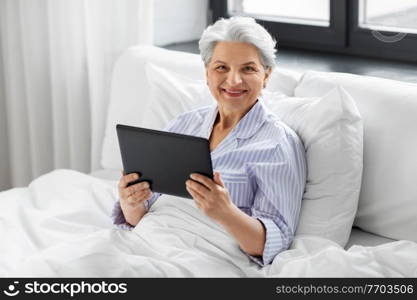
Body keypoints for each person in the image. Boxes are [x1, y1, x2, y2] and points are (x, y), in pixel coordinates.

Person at [112, 16, 307, 266]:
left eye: (248, 68)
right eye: (221, 68)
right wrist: (130, 201)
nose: (234, 80)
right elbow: (139, 216)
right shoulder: (185, 124)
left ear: (266, 75)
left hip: (202, 258)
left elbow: (274, 242)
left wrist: (225, 212)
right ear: (207, 73)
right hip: (142, 241)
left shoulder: (278, 144)